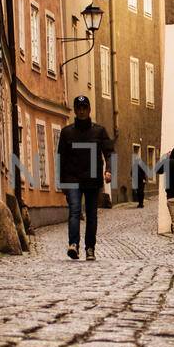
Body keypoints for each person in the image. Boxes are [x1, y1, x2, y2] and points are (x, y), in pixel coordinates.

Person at [57, 95, 113, 260]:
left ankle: (90, 248)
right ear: (75, 110)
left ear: (89, 110)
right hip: (72, 178)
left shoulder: (99, 131)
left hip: (92, 179)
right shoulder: (67, 132)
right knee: (74, 211)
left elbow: (109, 152)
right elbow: (61, 157)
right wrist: (62, 183)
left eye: (84, 108)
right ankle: (73, 244)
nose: (81, 111)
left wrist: (109, 170)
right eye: (79, 108)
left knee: (91, 214)